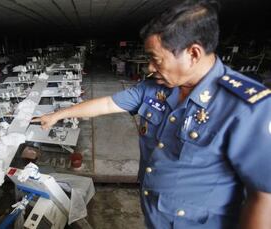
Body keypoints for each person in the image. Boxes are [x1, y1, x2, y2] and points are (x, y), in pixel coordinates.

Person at [33, 0, 271, 228]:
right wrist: (57, 115)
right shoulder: (154, 87)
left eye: (156, 59)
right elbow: (107, 104)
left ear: (193, 54)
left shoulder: (246, 108)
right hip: (155, 214)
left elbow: (263, 197)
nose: (149, 67)